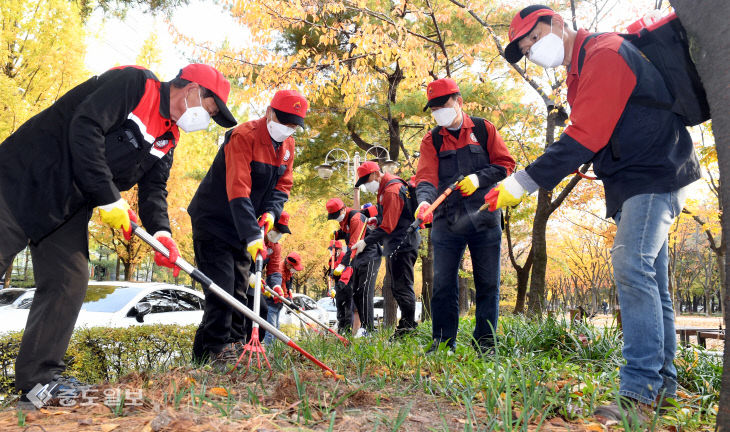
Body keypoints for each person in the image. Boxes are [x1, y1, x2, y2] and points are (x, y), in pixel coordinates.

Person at [495, 5, 701, 420]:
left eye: (534, 39)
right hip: (637, 179)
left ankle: (639, 396)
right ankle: (663, 391)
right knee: (651, 280)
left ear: (556, 23)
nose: (532, 51)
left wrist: (521, 182)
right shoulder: (580, 70)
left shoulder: (604, 53)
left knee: (630, 266)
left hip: (653, 174)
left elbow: (584, 135)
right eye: (524, 48)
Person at [0, 63, 236, 407]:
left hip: (68, 204)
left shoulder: (169, 136)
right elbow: (85, 127)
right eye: (210, 109)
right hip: (24, 178)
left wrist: (162, 233)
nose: (206, 118)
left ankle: (39, 379)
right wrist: (111, 198)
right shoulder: (135, 84)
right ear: (192, 91)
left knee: (69, 278)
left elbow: (154, 190)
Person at [188, 89, 308, 367]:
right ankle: (218, 349)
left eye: (293, 126)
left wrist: (269, 214)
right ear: (269, 113)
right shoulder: (243, 136)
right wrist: (253, 234)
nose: (288, 129)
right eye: (284, 121)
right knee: (221, 287)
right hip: (215, 220)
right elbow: (238, 189)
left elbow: (282, 187)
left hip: (246, 224)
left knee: (240, 288)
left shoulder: (288, 147)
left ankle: (231, 345)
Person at [415, 77, 515, 355]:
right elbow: (425, 178)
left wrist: (478, 178)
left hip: (485, 217)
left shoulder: (483, 129)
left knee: (488, 284)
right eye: (433, 108)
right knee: (443, 284)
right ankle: (443, 342)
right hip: (446, 221)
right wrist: (423, 203)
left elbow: (505, 165)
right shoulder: (432, 140)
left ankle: (485, 344)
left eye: (442, 105)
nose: (438, 113)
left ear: (458, 102)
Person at [353, 161, 420, 339]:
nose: (366, 186)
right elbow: (389, 219)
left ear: (375, 174)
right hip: (397, 243)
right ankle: (406, 326)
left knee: (403, 286)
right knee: (397, 286)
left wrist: (365, 242)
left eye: (366, 181)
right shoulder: (384, 189)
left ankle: (408, 328)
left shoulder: (391, 190)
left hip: (403, 244)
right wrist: (377, 220)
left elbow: (389, 226)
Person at [326, 197, 382, 336]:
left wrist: (343, 264)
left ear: (344, 209)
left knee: (365, 291)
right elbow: (348, 233)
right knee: (357, 293)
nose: (336, 219)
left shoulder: (356, 218)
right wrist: (338, 234)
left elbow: (353, 245)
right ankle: (365, 328)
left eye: (337, 215)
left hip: (370, 254)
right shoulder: (345, 220)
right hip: (359, 257)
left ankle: (369, 330)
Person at [326, 240, 354, 332]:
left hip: (347, 286)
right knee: (340, 310)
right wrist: (331, 288)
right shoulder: (332, 260)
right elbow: (331, 275)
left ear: (339, 249)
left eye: (333, 249)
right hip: (338, 287)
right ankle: (341, 330)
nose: (331, 251)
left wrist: (336, 288)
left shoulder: (345, 258)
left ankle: (348, 331)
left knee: (348, 312)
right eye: (330, 249)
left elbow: (347, 273)